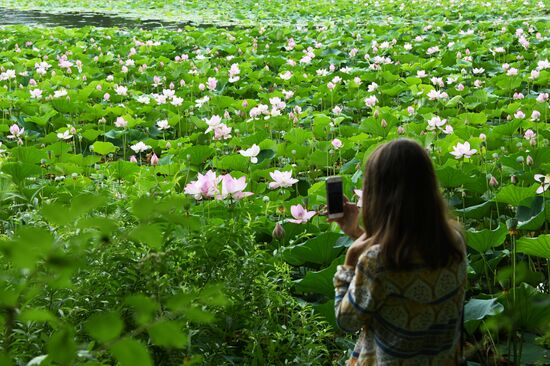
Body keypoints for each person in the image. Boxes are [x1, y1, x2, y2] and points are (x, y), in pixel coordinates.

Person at [330, 139, 467, 365]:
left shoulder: (375, 262)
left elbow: (346, 321)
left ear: (378, 196)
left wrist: (351, 258)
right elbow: (403, 261)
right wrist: (357, 232)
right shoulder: (454, 241)